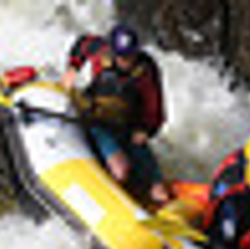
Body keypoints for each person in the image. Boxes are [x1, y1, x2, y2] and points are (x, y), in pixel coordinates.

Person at [60, 23, 170, 205]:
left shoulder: (145, 69)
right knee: (120, 170)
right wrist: (73, 67)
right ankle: (112, 204)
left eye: (131, 56)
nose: (127, 62)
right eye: (122, 57)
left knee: (159, 189)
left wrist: (146, 130)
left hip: (129, 127)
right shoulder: (101, 51)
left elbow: (155, 109)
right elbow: (82, 43)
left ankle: (149, 196)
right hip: (98, 123)